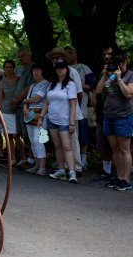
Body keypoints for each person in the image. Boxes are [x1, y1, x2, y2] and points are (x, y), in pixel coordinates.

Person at [96, 48, 133, 191]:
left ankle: (126, 179)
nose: (120, 66)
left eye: (122, 63)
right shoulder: (109, 76)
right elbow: (99, 90)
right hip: (108, 116)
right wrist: (106, 75)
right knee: (115, 149)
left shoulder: (130, 75)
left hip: (123, 117)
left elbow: (128, 94)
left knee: (124, 149)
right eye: (117, 64)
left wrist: (119, 79)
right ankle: (119, 177)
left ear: (126, 62)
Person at [45, 47, 84, 176]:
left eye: (57, 58)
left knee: (71, 143)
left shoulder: (72, 72)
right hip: (56, 115)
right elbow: (48, 100)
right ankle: (63, 168)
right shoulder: (53, 78)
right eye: (53, 58)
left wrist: (73, 113)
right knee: (59, 144)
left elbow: (79, 94)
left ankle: (76, 168)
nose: (55, 60)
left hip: (70, 114)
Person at [38, 59, 78, 183]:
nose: (59, 70)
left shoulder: (70, 85)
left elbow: (73, 105)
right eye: (57, 68)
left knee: (67, 146)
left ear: (66, 69)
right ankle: (61, 170)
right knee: (57, 146)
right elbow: (47, 102)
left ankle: (72, 172)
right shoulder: (52, 85)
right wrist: (41, 117)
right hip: (52, 120)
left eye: (62, 68)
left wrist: (72, 122)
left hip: (64, 120)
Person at [65, 45, 95, 170]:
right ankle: (68, 160)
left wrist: (76, 86)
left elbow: (91, 85)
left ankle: (83, 160)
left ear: (76, 54)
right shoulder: (62, 68)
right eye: (66, 53)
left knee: (82, 134)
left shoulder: (84, 68)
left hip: (80, 108)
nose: (68, 55)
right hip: (65, 109)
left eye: (70, 53)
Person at [92, 43, 116, 181]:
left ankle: (122, 174)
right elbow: (97, 88)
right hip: (102, 112)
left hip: (117, 112)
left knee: (119, 145)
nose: (107, 57)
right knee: (102, 142)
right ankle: (106, 171)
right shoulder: (102, 70)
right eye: (104, 54)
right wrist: (95, 99)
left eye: (109, 54)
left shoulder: (122, 70)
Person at [23, 63, 50, 175]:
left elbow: (36, 99)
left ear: (42, 71)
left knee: (38, 140)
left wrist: (25, 102)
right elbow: (29, 100)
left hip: (40, 114)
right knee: (32, 140)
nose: (36, 73)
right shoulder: (32, 85)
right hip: (30, 114)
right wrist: (25, 108)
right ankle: (37, 164)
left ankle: (42, 167)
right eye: (34, 71)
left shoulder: (45, 83)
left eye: (38, 70)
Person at [12, 47, 35, 169]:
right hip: (19, 106)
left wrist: (18, 99)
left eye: (23, 56)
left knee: (28, 134)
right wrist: (14, 98)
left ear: (29, 55)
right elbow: (18, 85)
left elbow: (29, 87)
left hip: (28, 105)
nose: (21, 58)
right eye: (19, 57)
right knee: (22, 134)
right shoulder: (20, 70)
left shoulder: (32, 69)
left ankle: (33, 159)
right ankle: (28, 158)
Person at [0, 59, 24, 165]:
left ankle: (23, 157)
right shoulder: (1, 82)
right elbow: (1, 98)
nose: (8, 69)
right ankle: (12, 158)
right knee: (8, 136)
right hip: (5, 110)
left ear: (14, 68)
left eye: (10, 67)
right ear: (4, 69)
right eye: (6, 67)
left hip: (16, 110)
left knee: (16, 136)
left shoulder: (18, 79)